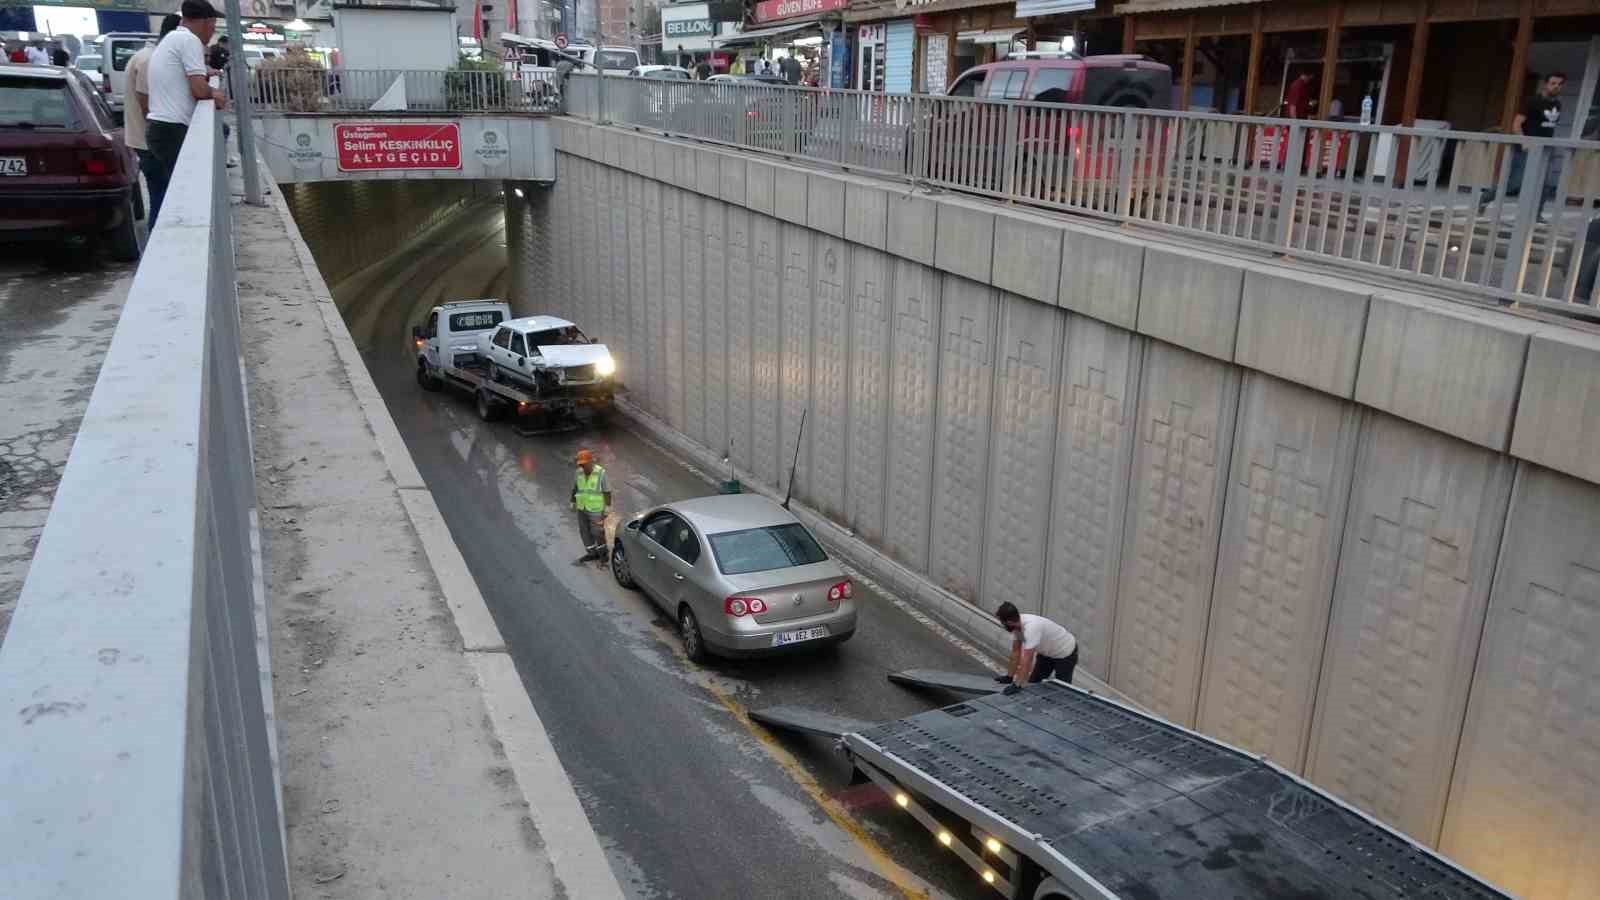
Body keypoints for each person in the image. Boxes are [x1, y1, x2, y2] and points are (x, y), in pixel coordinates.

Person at [145, 0, 227, 228]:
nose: (212, 32)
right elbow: (199, 90)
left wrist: (205, 75)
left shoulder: (173, 38)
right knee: (188, 196)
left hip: (161, 128)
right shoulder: (189, 41)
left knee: (178, 193)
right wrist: (216, 94)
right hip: (172, 130)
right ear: (204, 22)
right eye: (213, 26)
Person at [1480, 71, 1567, 219]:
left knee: (1545, 183)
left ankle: (1536, 214)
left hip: (1545, 149)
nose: (1556, 87)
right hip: (1526, 148)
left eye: (1559, 84)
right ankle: (1484, 199)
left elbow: (1548, 126)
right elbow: (1516, 124)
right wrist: (1524, 141)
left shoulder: (1557, 104)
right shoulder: (1532, 101)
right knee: (1514, 183)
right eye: (1553, 83)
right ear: (1546, 84)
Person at [127, 19, 176, 228]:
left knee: (161, 195)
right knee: (161, 197)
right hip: (150, 144)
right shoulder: (151, 60)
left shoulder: (148, 57)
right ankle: (159, 246)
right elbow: (147, 105)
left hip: (147, 141)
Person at [992, 602, 1078, 694]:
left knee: (1062, 691)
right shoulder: (1017, 625)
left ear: (1008, 622)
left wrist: (1017, 685)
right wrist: (1009, 677)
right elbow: (1015, 652)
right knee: (1034, 683)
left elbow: (1027, 661)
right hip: (1047, 653)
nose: (1002, 624)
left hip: (1065, 652)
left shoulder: (1031, 628)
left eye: (1002, 622)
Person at [571, 449, 612, 560]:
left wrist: (607, 508)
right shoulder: (578, 472)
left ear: (590, 462)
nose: (583, 467)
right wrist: (572, 501)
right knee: (584, 531)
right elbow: (575, 488)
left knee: (597, 532)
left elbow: (607, 491)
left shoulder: (600, 473)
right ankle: (592, 553)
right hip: (582, 507)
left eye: (584, 464)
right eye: (581, 465)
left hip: (596, 509)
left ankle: (603, 553)